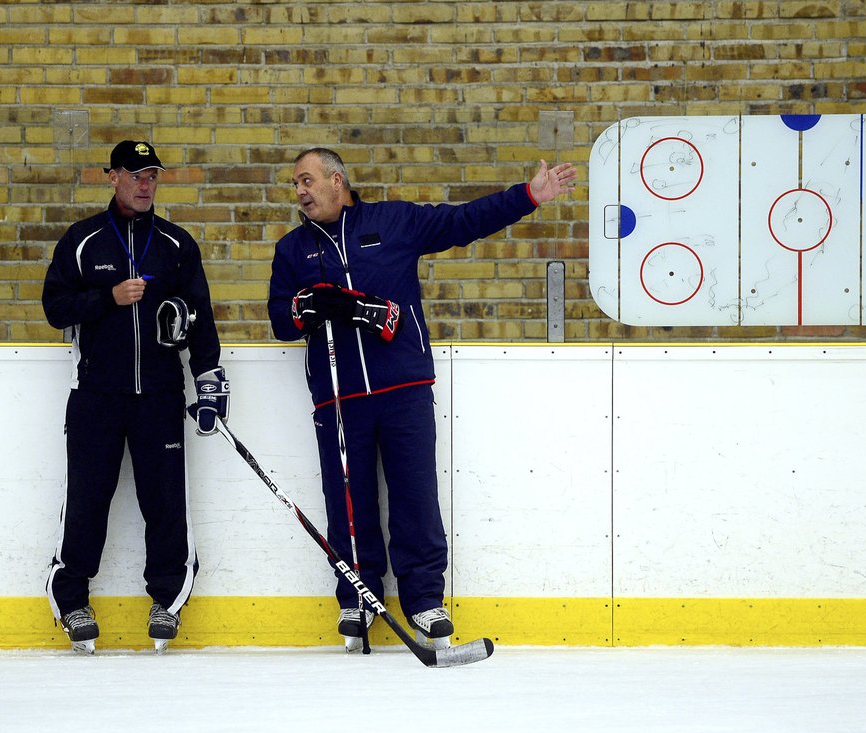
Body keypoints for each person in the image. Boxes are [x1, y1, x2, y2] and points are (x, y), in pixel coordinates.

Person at [267, 147, 576, 651]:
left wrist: (528, 197)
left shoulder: (395, 221)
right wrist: (306, 306)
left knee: (415, 496)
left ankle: (424, 601)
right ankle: (357, 597)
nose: (299, 191)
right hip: (339, 399)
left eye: (306, 180)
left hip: (404, 389)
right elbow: (281, 321)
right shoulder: (293, 250)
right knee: (347, 501)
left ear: (336, 180)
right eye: (295, 184)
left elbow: (462, 222)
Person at [42, 140, 229, 654]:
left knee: (165, 504)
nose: (146, 184)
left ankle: (167, 599)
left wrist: (209, 380)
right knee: (86, 502)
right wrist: (108, 298)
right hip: (97, 397)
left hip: (160, 399)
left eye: (152, 176)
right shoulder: (82, 241)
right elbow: (55, 308)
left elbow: (202, 320)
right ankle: (72, 598)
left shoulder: (175, 244)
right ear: (112, 177)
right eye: (136, 174)